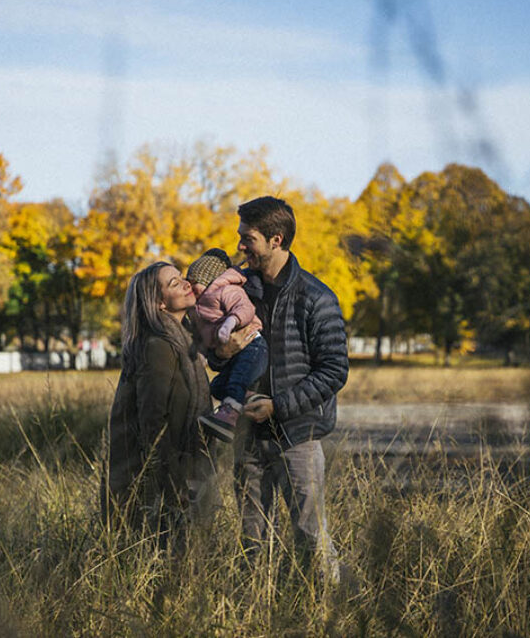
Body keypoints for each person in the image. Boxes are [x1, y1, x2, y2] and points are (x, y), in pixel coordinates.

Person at [222, 196, 349, 580]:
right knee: (251, 539)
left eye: (249, 238)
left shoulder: (317, 297)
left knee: (310, 535)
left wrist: (278, 406)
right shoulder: (242, 294)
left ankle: (327, 608)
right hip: (249, 435)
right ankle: (252, 613)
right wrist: (222, 353)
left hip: (298, 436)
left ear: (276, 240)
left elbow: (334, 371)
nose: (241, 245)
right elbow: (223, 357)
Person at [101, 261, 217, 547]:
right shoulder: (159, 346)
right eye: (175, 283)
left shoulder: (183, 340)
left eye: (182, 278)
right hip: (156, 482)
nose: (187, 284)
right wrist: (175, 484)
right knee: (163, 556)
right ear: (159, 303)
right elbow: (153, 423)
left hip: (177, 471)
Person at [184, 247, 268, 443]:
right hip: (234, 353)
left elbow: (245, 309)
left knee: (237, 380)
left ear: (207, 280)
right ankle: (249, 398)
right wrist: (205, 353)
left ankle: (228, 418)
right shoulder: (197, 308)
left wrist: (231, 323)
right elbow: (203, 337)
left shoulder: (227, 291)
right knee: (217, 386)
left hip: (253, 346)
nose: (191, 286)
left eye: (194, 282)